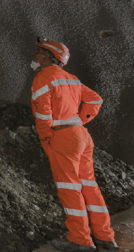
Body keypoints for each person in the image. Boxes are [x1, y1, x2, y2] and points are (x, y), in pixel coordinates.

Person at [30, 40, 117, 251]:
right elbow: (95, 100)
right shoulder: (72, 79)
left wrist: (45, 137)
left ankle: (80, 240)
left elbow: (44, 113)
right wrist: (79, 120)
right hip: (82, 136)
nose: (35, 57)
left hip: (63, 138)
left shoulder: (43, 77)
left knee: (70, 188)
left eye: (38, 53)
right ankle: (105, 237)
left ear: (46, 57)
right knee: (89, 185)